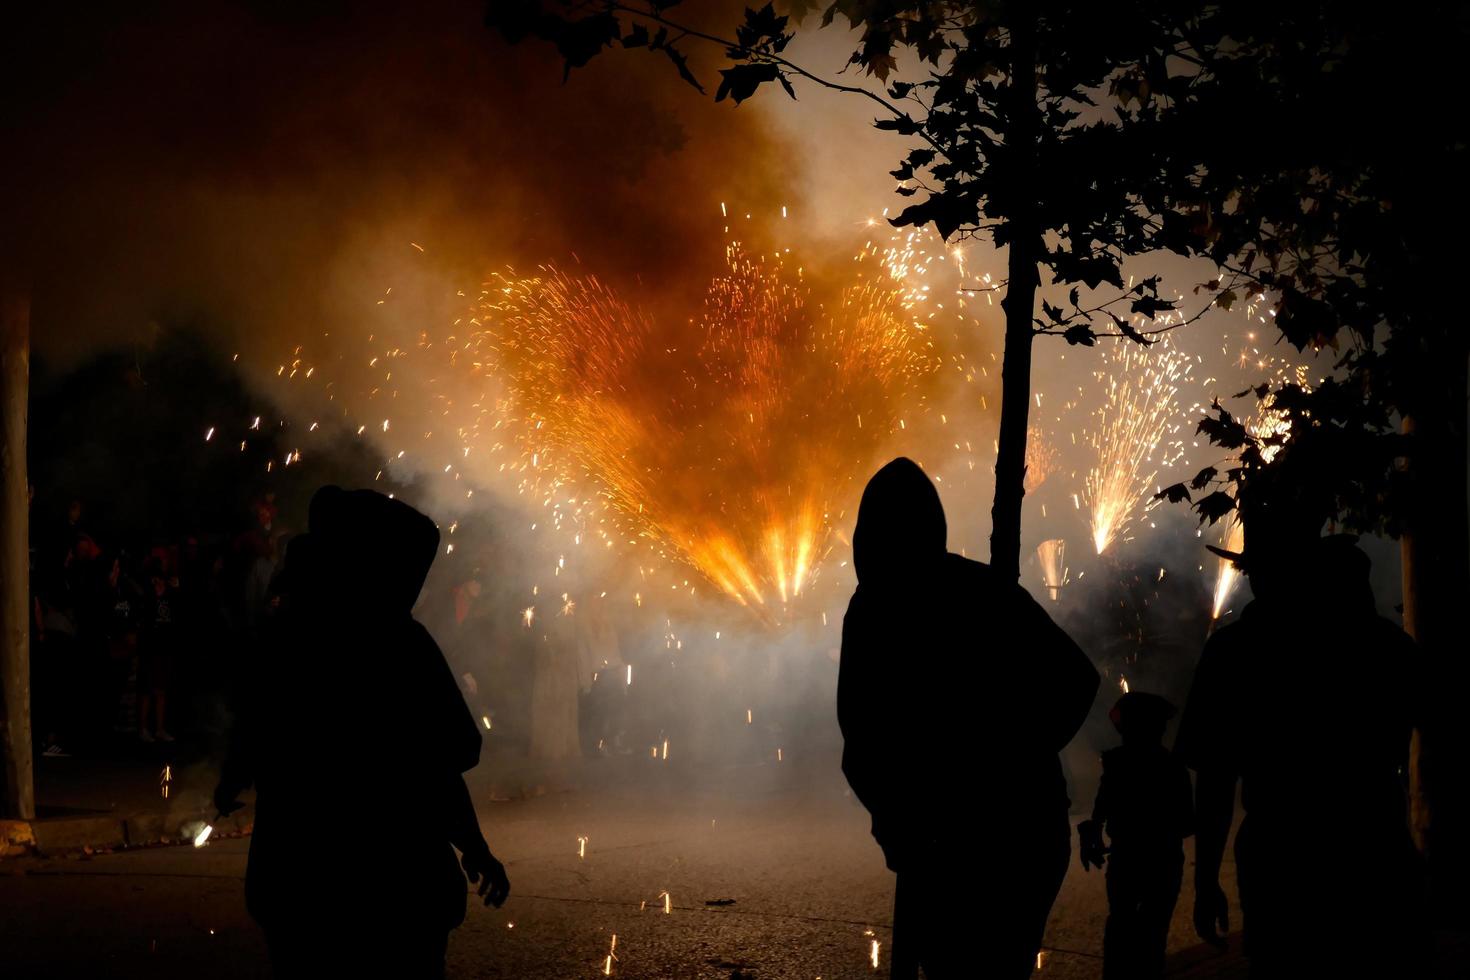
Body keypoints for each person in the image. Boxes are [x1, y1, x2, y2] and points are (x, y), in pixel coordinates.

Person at [213, 487, 509, 978]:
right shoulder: (399, 643)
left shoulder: (287, 633)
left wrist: (231, 779)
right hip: (392, 884)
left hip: (295, 879)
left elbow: (251, 729)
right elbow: (442, 762)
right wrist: (475, 848)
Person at [839, 458, 1099, 979]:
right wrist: (901, 820)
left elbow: (1077, 679)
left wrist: (1011, 760)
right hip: (989, 833)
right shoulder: (972, 594)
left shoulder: (883, 608)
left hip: (1011, 837)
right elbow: (864, 739)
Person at [1177, 528, 1425, 978]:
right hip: (1376, 849)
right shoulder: (1388, 645)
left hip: (1282, 862)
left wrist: (1205, 879)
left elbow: (1215, 779)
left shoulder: (1234, 651)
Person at [1078, 692, 1192, 980]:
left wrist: (1094, 834)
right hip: (1164, 860)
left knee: (1120, 925)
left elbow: (1100, 810)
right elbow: (1187, 823)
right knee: (1154, 930)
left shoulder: (1116, 763)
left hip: (1125, 859)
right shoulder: (1172, 765)